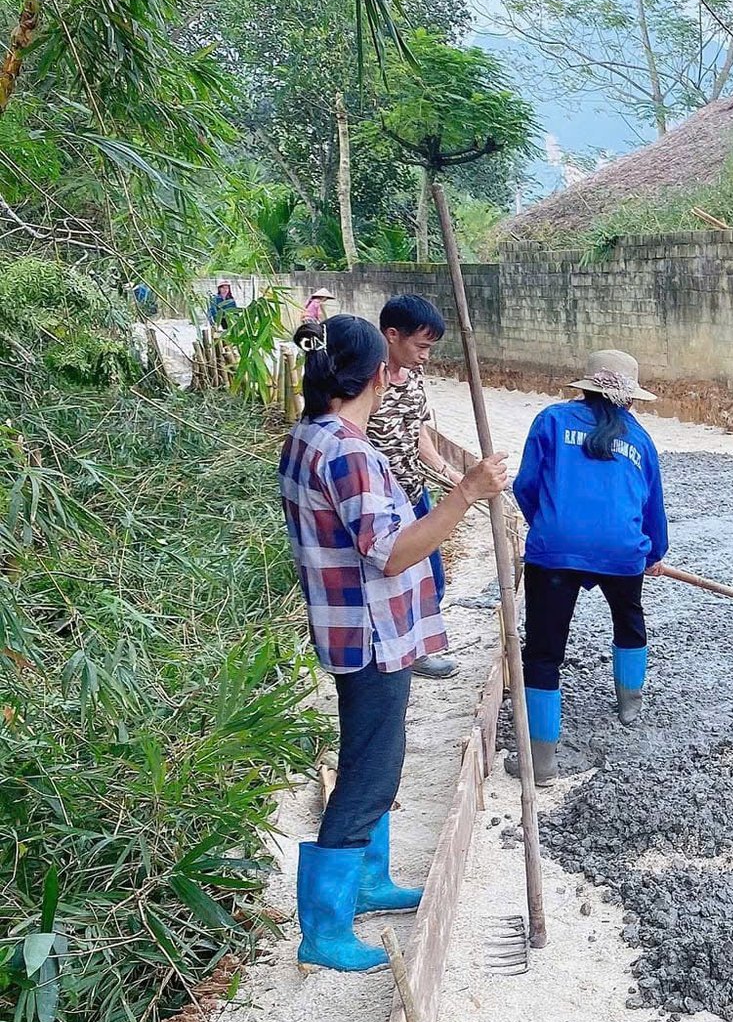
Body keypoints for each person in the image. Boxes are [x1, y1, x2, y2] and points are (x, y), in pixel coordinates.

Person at [279, 316, 508, 971]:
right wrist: (466, 492)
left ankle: (369, 883)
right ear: (379, 374)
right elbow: (394, 552)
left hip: (350, 627)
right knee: (369, 773)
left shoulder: (307, 436)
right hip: (371, 633)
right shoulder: (347, 452)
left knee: (373, 759)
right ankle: (323, 931)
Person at [511, 349, 669, 785]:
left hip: (555, 549)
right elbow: (651, 503)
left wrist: (549, 526)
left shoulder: (552, 420)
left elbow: (526, 485)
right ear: (630, 400)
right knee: (629, 619)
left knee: (543, 651)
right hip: (621, 551)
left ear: (585, 387)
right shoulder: (639, 439)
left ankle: (541, 763)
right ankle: (630, 707)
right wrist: (653, 553)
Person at [365, 294, 462, 679]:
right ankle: (400, 652)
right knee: (395, 576)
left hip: (414, 488)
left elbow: (418, 428)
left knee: (431, 574)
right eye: (420, 346)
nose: (425, 355)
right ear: (392, 335)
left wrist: (444, 470)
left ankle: (418, 646)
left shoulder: (414, 375)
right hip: (381, 500)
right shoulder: (366, 379)